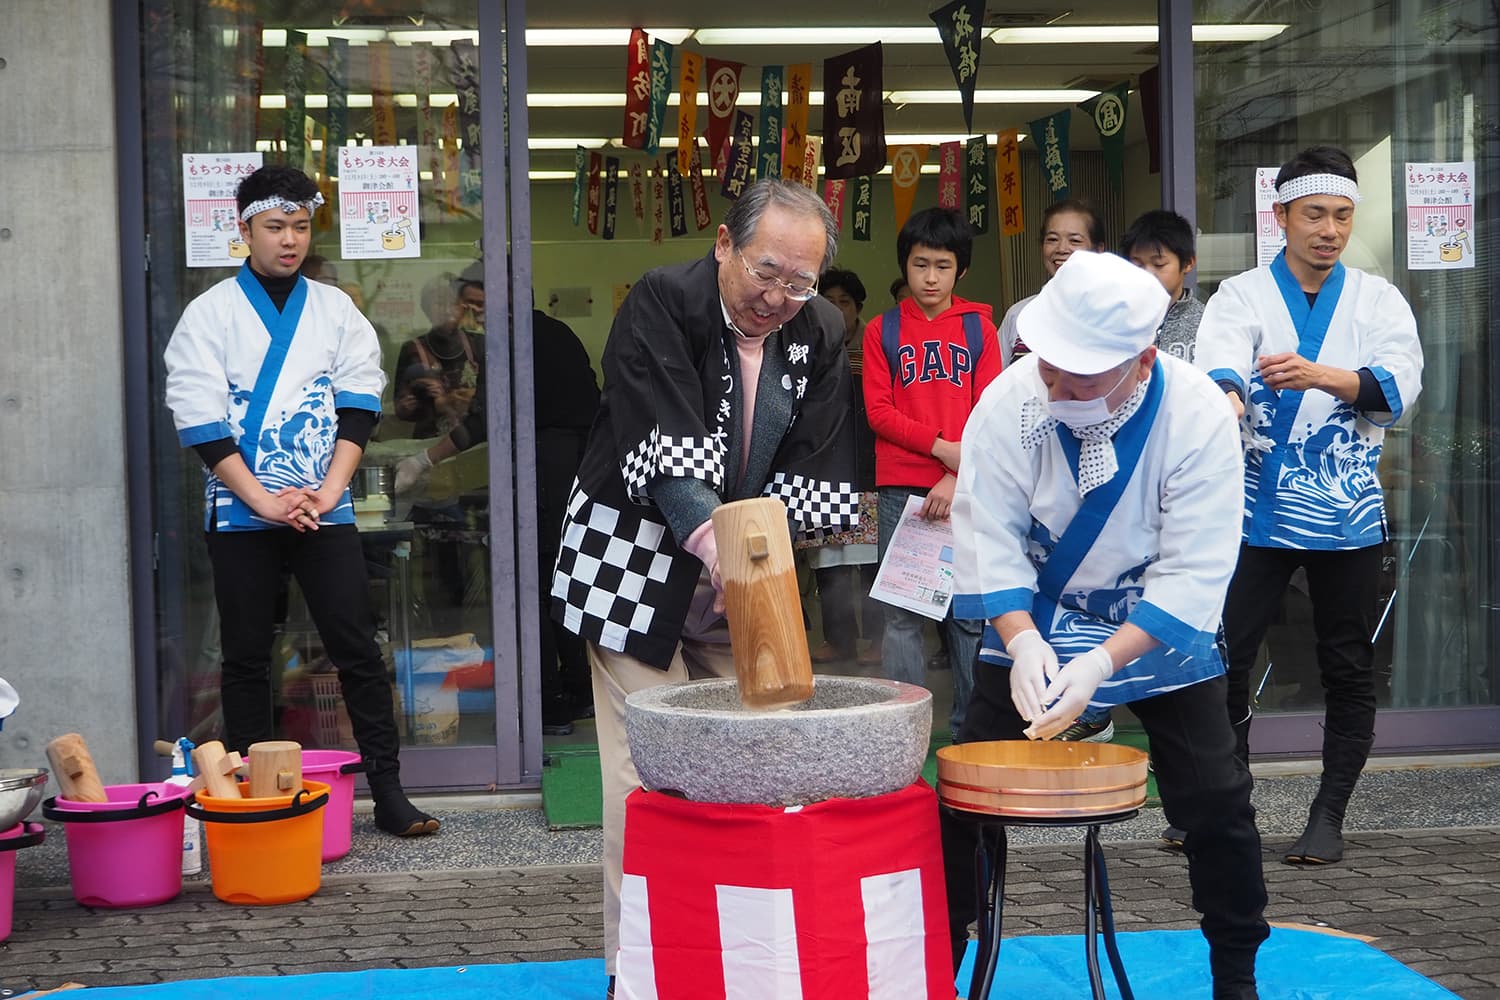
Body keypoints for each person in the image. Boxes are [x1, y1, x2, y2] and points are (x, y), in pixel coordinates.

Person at [549, 179, 857, 998]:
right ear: (724, 244)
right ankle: (638, 968)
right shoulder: (665, 299)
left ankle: (748, 951)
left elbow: (814, 464)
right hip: (633, 560)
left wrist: (761, 565)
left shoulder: (821, 330)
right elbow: (664, 442)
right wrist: (726, 553)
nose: (778, 296)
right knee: (643, 771)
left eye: (801, 281)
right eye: (766, 271)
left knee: (759, 757)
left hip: (745, 573)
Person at [945, 249, 1268, 999]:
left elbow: (1195, 572)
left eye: (1080, 374)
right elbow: (987, 533)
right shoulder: (1009, 400)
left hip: (1148, 621)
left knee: (1217, 799)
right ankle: (942, 956)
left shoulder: (1194, 415)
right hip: (1037, 612)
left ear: (1143, 359)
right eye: (1048, 364)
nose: (1054, 384)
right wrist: (1021, 641)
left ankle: (1236, 969)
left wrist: (1100, 665)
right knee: (964, 791)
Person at [163, 165, 438, 837]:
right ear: (244, 231)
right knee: (248, 655)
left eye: (299, 226)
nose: (289, 240)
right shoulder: (209, 314)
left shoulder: (334, 308)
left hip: (325, 506)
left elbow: (359, 401)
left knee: (356, 647)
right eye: (274, 227)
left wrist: (330, 489)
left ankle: (389, 791)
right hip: (241, 511)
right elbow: (197, 414)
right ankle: (256, 796)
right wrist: (261, 500)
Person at [1195, 145, 1424, 865]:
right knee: (1225, 658)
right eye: (1315, 214)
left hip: (1347, 510)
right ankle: (1225, 803)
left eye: (1342, 216)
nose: (1329, 229)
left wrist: (1322, 375)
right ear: (1282, 217)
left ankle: (1329, 812)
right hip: (1255, 510)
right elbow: (1219, 363)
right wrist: (1228, 395)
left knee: (1348, 663)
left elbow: (1401, 381)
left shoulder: (1378, 299)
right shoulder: (1240, 295)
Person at [862, 206, 999, 737]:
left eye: (943, 266)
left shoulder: (979, 329)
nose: (931, 278)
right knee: (902, 614)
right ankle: (904, 729)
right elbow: (878, 411)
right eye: (921, 265)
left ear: (960, 270)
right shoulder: (883, 330)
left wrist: (954, 476)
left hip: (965, 485)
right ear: (905, 265)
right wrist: (943, 450)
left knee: (967, 613)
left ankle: (972, 729)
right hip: (900, 484)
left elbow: (989, 410)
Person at [802, 267, 882, 666]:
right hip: (823, 466)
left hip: (867, 465)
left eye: (844, 303)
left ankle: (877, 639)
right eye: (827, 302)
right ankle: (839, 640)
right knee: (828, 560)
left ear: (858, 308)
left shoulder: (875, 343)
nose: (835, 310)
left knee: (870, 561)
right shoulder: (806, 341)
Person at [532, 302, 601, 734]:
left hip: (539, 471)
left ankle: (550, 701)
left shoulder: (510, 341)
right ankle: (581, 686)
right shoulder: (560, 333)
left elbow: (487, 417)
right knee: (567, 581)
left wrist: (429, 458)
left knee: (533, 591)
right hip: (577, 469)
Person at [996, 198, 1106, 369]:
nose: (1061, 249)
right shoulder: (1018, 314)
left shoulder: (1110, 314)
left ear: (1098, 250)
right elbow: (996, 382)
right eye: (1052, 239)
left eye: (1075, 240)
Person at [1123, 208, 1204, 362]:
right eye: (1137, 264)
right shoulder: (1118, 319)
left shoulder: (1207, 322)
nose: (1147, 273)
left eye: (1158, 264)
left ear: (1188, 263)